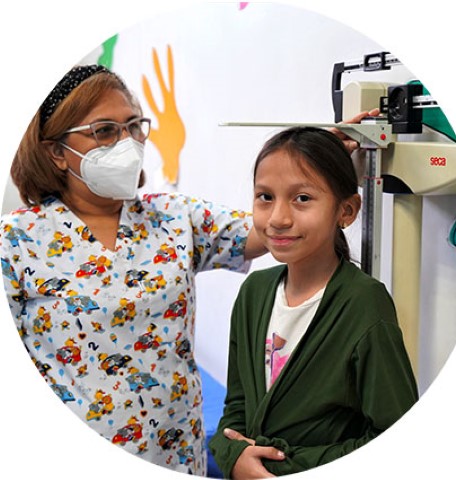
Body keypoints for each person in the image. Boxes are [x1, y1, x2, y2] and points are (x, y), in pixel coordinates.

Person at [0, 64, 267, 476]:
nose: (126, 143)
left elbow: (271, 230)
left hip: (176, 456)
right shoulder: (15, 240)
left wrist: (325, 164)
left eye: (133, 127)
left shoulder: (174, 217)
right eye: (104, 131)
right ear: (56, 152)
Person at [209, 126, 419, 478]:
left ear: (347, 211)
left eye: (302, 198)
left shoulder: (364, 304)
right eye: (265, 197)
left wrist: (285, 466)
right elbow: (237, 407)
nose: (278, 218)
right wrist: (234, 458)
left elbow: (395, 435)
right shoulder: (254, 292)